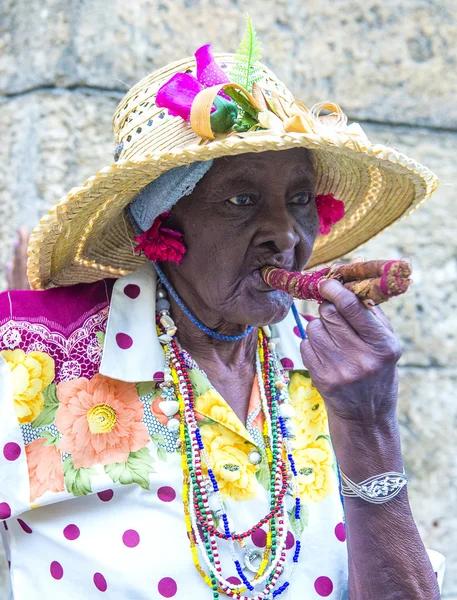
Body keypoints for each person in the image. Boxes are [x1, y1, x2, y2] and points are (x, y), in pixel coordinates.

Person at [0, 35, 444, 600]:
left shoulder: (339, 375)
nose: (285, 234)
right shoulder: (32, 362)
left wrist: (370, 428)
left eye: (301, 198)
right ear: (163, 224)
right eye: (241, 200)